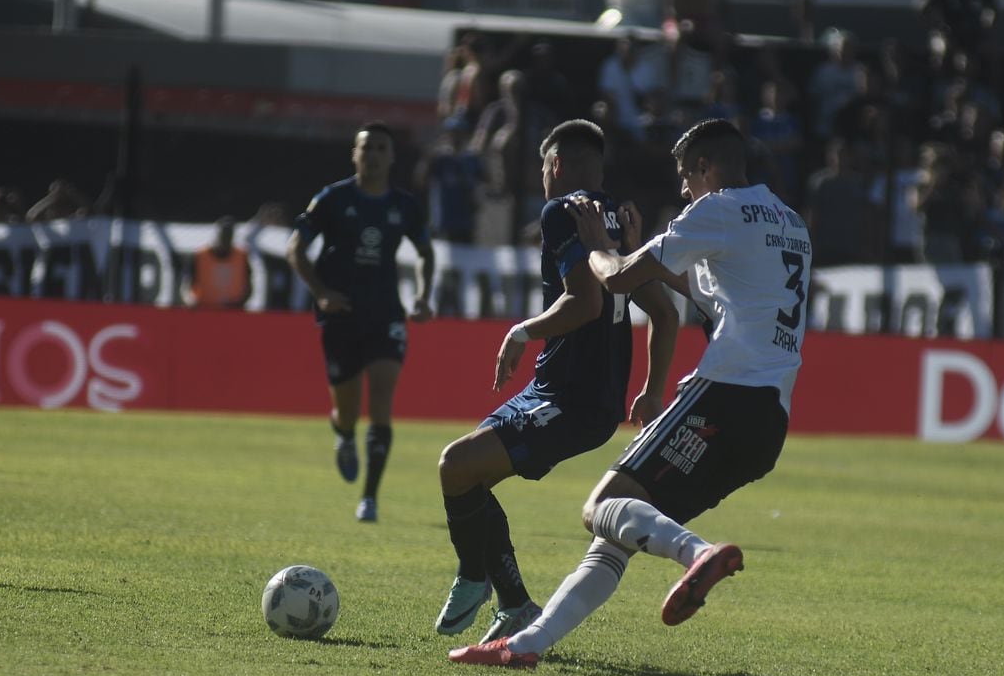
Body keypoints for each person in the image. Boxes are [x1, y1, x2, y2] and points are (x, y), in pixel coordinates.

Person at [449, 118, 811, 668]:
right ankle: (525, 645)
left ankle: (700, 552)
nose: (684, 192)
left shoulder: (716, 210)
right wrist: (641, 249)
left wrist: (602, 245)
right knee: (618, 531)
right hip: (771, 420)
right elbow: (704, 294)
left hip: (725, 392)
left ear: (705, 168)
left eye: (687, 178)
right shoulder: (790, 222)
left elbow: (615, 280)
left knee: (599, 506)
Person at [432, 119, 679, 645]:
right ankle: (512, 600)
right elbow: (664, 313)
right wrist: (653, 389)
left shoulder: (561, 211)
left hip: (573, 398)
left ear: (556, 165)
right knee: (465, 477)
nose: (543, 177)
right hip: (566, 391)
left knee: (456, 466)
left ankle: (478, 578)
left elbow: (586, 303)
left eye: (543, 166)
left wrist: (521, 332)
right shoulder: (620, 216)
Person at [286, 122, 436, 522]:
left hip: (385, 310)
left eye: (381, 148)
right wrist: (320, 291)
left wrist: (422, 295)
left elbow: (425, 252)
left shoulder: (404, 206)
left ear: (392, 157)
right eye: (366, 147)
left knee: (383, 396)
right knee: (348, 410)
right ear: (354, 154)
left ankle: (369, 497)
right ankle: (344, 435)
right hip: (341, 313)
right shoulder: (333, 199)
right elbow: (296, 248)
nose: (372, 154)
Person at [185, 216, 252, 309]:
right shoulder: (199, 256)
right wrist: (191, 301)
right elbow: (187, 288)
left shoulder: (242, 256)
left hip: (233, 313)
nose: (225, 239)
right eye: (223, 235)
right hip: (204, 310)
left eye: (229, 235)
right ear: (216, 234)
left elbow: (248, 288)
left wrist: (238, 304)